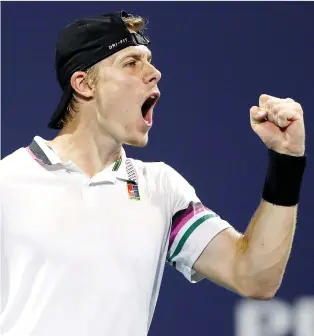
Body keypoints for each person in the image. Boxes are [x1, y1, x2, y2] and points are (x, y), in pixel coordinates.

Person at [0, 10, 307, 336]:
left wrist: (286, 162)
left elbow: (253, 276)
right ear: (84, 84)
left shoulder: (160, 189)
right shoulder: (8, 181)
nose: (155, 73)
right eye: (131, 63)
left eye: (149, 60)